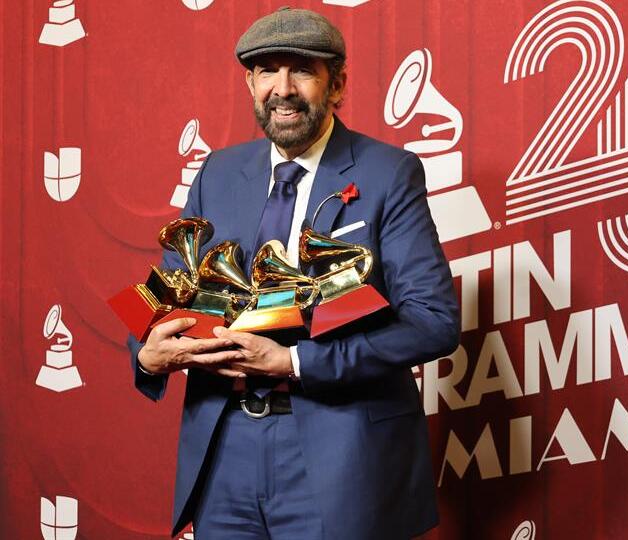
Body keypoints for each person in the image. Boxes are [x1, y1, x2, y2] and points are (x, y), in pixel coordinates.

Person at [126, 7, 459, 539]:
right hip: (224, 451)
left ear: (337, 83)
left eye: (301, 70)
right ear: (250, 83)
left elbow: (433, 321)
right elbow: (163, 295)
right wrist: (147, 355)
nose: (282, 89)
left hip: (338, 451)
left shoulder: (388, 173)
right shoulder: (217, 173)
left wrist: (295, 362)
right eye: (266, 71)